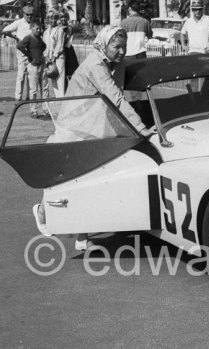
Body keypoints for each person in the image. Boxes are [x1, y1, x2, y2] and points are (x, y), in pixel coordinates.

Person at [31, 26, 156, 249]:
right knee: (64, 175)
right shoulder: (95, 64)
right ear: (103, 45)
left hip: (97, 124)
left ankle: (81, 237)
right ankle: (42, 211)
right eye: (116, 46)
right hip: (75, 124)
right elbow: (116, 98)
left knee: (89, 180)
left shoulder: (118, 63)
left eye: (124, 47)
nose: (121, 51)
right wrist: (141, 128)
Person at [16, 20, 48, 118]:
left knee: (44, 88)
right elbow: (19, 46)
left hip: (41, 64)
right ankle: (33, 110)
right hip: (33, 66)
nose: (39, 30)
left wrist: (40, 56)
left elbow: (44, 46)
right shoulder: (28, 38)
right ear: (32, 28)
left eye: (40, 28)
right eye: (37, 28)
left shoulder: (39, 38)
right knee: (33, 90)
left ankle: (46, 109)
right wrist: (30, 56)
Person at [2, 5, 33, 104]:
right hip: (22, 51)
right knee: (21, 75)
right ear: (24, 14)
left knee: (31, 75)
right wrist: (16, 38)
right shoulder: (19, 23)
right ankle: (18, 97)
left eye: (31, 15)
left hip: (32, 51)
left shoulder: (34, 23)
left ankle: (29, 97)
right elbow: (5, 30)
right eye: (27, 15)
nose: (29, 17)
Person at [43, 13, 66, 97]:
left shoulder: (60, 30)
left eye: (54, 19)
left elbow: (60, 45)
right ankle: (57, 98)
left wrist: (54, 57)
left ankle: (61, 98)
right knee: (52, 78)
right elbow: (44, 45)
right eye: (50, 19)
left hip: (58, 58)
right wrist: (46, 56)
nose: (52, 21)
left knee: (59, 79)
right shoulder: (46, 32)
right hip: (49, 59)